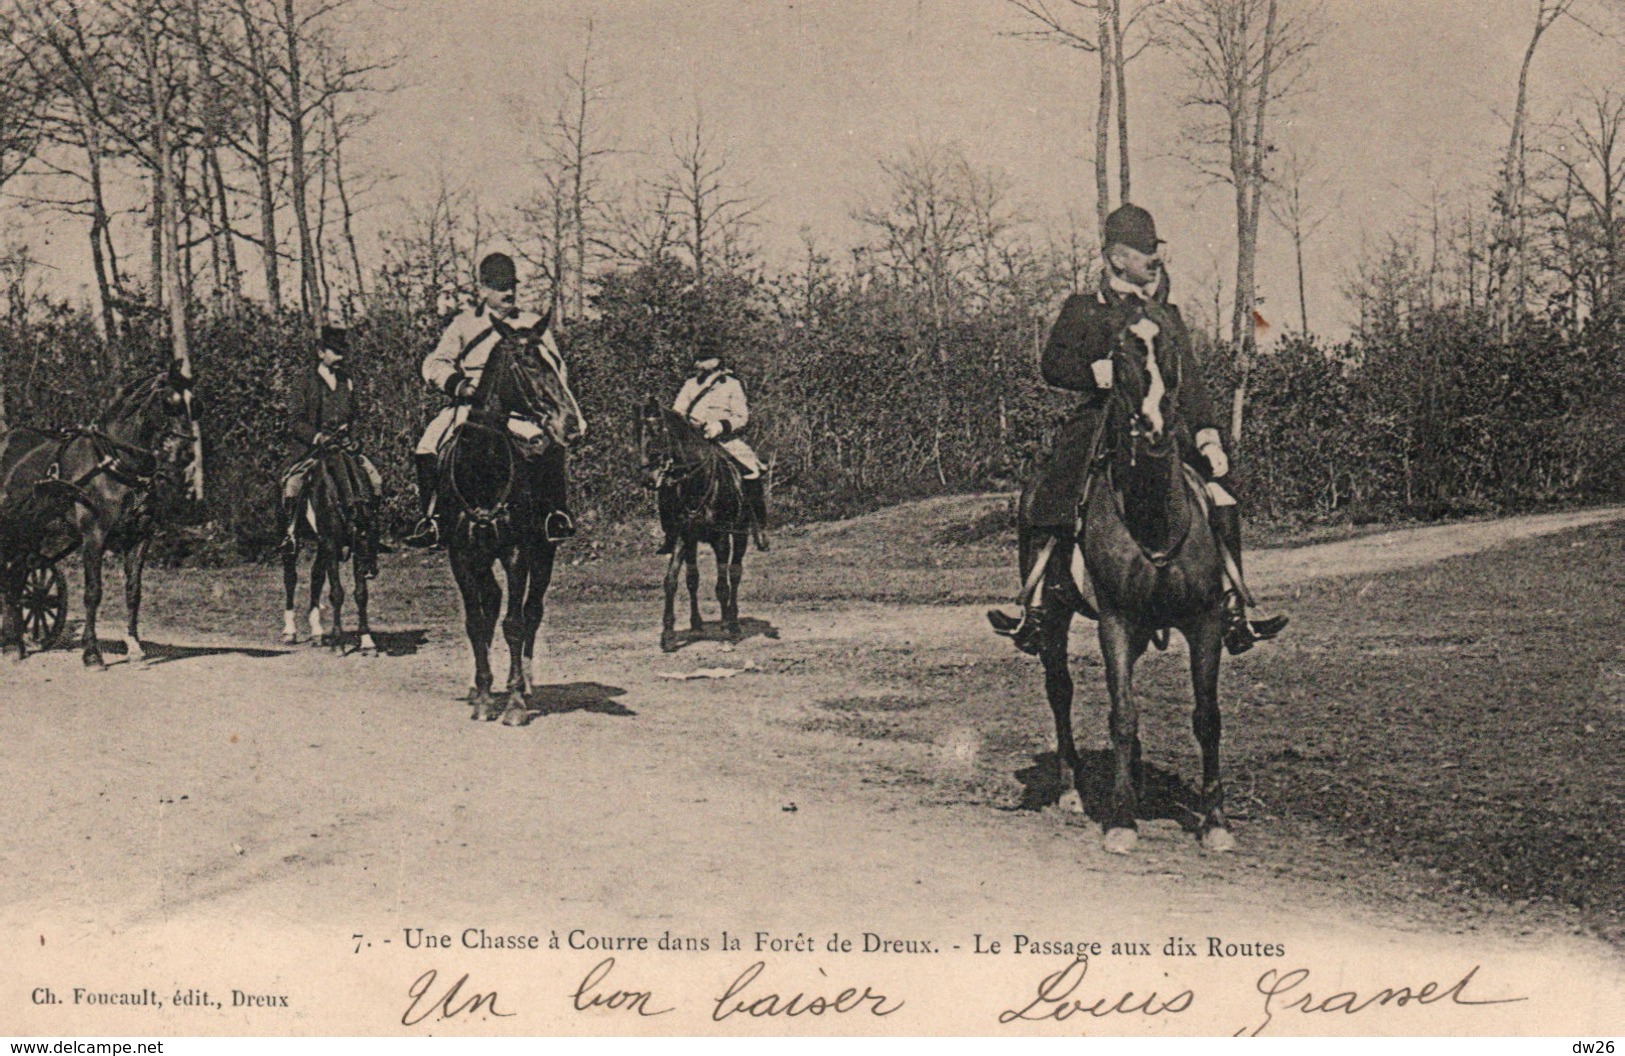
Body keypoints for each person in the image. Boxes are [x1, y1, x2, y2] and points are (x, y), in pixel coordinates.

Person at [992, 203, 1287, 656]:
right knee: (1053, 492)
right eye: (1143, 251)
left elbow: (1190, 382)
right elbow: (1052, 365)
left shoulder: (1166, 314)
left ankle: (1233, 606)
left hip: (1161, 423)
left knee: (1220, 492)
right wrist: (1093, 374)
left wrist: (1208, 434)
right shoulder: (1082, 309)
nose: (1153, 259)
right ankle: (1036, 606)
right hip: (1101, 421)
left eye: (1155, 250)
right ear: (1115, 257)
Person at [405, 251, 577, 547]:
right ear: (483, 289)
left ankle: (554, 513)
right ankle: (433, 520)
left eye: (512, 285)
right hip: (471, 406)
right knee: (427, 445)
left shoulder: (532, 324)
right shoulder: (464, 324)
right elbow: (434, 364)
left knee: (549, 444)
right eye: (500, 286)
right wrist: (458, 385)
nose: (508, 292)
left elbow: (555, 369)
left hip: (521, 410)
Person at [280, 325, 383, 577]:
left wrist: (356, 439)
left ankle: (369, 542)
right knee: (293, 485)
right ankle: (290, 535)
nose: (340, 357)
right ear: (320, 352)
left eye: (342, 352)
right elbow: (295, 421)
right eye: (334, 352)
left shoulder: (347, 381)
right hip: (313, 451)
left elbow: (357, 416)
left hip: (344, 448)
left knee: (376, 481)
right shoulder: (303, 382)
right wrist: (317, 437)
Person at [656, 348, 770, 553]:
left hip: (726, 439)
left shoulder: (732, 385)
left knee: (751, 472)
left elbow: (742, 416)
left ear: (717, 361)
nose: (700, 363)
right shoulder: (691, 384)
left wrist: (721, 426)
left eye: (705, 359)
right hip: (693, 442)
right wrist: (688, 428)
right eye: (698, 359)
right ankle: (670, 533)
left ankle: (759, 526)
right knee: (666, 479)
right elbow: (677, 413)